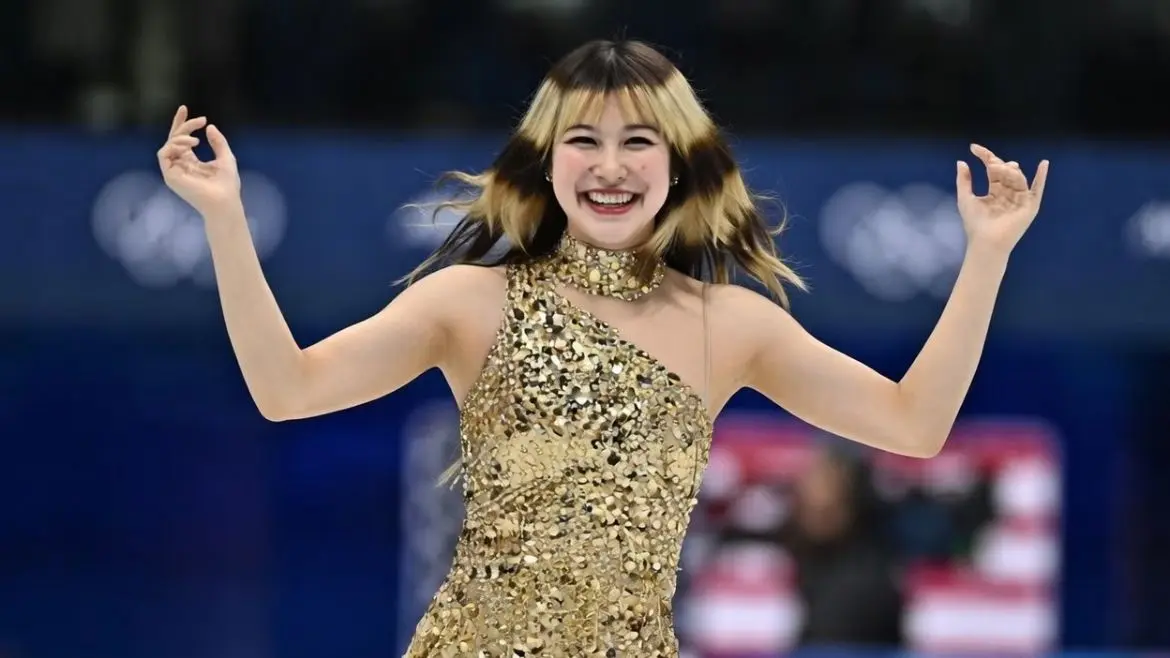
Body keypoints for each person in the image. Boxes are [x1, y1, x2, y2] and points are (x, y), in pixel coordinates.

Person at [156, 39, 1049, 658]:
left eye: (637, 141)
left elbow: (915, 423)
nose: (610, 165)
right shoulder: (472, 303)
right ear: (548, 162)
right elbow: (287, 389)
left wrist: (988, 258)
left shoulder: (727, 325)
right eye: (583, 140)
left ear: (678, 164)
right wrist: (226, 222)